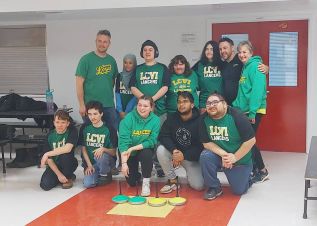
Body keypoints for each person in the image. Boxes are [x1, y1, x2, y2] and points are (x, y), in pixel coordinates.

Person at [199, 93, 256, 200]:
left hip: (240, 159)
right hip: (221, 156)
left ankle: (248, 177)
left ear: (225, 104)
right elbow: (206, 143)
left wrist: (234, 158)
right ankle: (214, 187)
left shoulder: (237, 117)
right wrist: (225, 155)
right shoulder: (203, 119)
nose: (211, 105)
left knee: (239, 191)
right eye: (208, 103)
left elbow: (251, 141)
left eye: (215, 102)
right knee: (205, 156)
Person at [130, 39, 170, 177]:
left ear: (155, 52)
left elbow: (165, 86)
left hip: (159, 110)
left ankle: (160, 167)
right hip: (142, 112)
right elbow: (132, 86)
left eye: (150, 50)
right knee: (144, 137)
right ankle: (146, 166)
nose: (147, 52)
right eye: (145, 50)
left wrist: (151, 100)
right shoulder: (138, 69)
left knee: (159, 139)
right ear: (142, 53)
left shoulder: (163, 68)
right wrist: (145, 102)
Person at [232, 40, 269, 183]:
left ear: (251, 52)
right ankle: (254, 168)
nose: (242, 55)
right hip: (244, 110)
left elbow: (257, 91)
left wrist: (252, 112)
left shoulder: (256, 67)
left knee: (249, 142)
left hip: (253, 111)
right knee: (246, 140)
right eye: (240, 52)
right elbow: (243, 92)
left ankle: (262, 170)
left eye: (244, 52)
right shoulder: (245, 67)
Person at [157, 91, 204, 193]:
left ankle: (191, 173)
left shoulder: (201, 121)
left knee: (198, 186)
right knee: (160, 150)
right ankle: (172, 179)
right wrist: (174, 151)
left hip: (191, 158)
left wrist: (183, 155)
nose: (181, 104)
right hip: (175, 153)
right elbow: (163, 136)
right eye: (179, 102)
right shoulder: (172, 118)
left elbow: (201, 146)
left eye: (185, 101)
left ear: (192, 105)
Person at [75, 29, 118, 130]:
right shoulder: (86, 60)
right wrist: (81, 105)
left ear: (109, 43)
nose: (102, 44)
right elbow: (79, 83)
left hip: (108, 105)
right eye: (99, 41)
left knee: (111, 133)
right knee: (91, 134)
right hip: (90, 106)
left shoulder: (111, 60)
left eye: (105, 42)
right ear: (96, 41)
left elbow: (112, 81)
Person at [119, 96, 160, 196]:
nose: (142, 108)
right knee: (132, 182)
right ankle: (137, 175)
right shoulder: (128, 119)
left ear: (151, 108)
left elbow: (152, 141)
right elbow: (123, 142)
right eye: (140, 105)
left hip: (143, 149)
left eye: (145, 106)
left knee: (146, 154)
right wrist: (124, 163)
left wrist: (134, 148)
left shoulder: (156, 120)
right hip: (128, 151)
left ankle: (146, 181)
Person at [219, 37, 268, 106]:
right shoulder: (222, 65)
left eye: (225, 48)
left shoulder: (241, 60)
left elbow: (253, 64)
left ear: (232, 48)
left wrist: (266, 68)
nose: (222, 51)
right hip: (228, 105)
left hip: (242, 106)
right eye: (220, 49)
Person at [78, 101, 116, 188]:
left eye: (95, 114)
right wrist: (89, 165)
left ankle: (105, 174)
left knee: (100, 156)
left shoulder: (109, 129)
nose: (92, 117)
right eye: (90, 114)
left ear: (101, 114)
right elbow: (83, 148)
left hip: (106, 161)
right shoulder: (84, 127)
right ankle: (96, 174)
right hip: (91, 162)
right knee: (88, 184)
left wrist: (103, 149)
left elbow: (114, 152)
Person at [40, 110, 78, 191]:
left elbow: (68, 149)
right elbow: (49, 160)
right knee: (45, 185)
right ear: (54, 123)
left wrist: (46, 154)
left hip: (68, 162)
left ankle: (68, 176)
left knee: (65, 155)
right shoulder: (49, 135)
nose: (60, 125)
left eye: (63, 122)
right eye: (57, 122)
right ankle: (63, 177)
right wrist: (59, 175)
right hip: (54, 164)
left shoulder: (72, 131)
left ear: (68, 123)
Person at [192, 40, 222, 114]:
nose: (209, 51)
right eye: (207, 49)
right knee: (205, 124)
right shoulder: (199, 65)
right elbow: (189, 75)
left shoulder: (222, 64)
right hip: (204, 103)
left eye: (211, 49)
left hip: (220, 102)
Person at [115, 54, 137, 120]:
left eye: (130, 63)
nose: (127, 65)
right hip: (120, 110)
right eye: (125, 62)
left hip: (133, 109)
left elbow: (136, 96)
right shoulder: (120, 76)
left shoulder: (136, 76)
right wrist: (120, 110)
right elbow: (117, 93)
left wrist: (127, 111)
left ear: (134, 63)